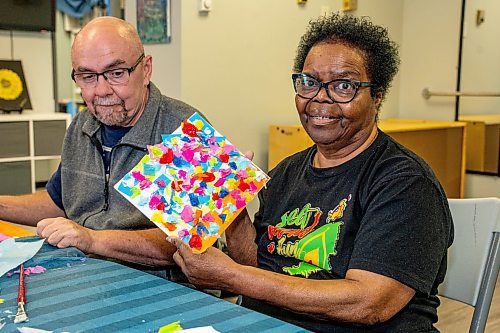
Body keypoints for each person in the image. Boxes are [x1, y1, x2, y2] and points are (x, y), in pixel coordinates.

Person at [168, 13, 454, 332]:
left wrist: (229, 276)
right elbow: (262, 268)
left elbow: (369, 303)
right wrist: (230, 209)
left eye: (343, 85)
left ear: (377, 96)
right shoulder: (288, 171)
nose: (319, 98)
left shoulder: (405, 184)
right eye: (309, 82)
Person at [0, 16, 199, 278]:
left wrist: (91, 239)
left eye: (116, 73)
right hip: (86, 274)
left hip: (163, 286)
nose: (101, 90)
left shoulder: (183, 132)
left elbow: (185, 244)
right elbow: (60, 201)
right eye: (87, 77)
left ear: (146, 69)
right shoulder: (82, 124)